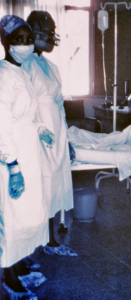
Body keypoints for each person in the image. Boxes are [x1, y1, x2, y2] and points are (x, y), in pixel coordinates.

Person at [0, 15, 54, 297]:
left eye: (28, 39)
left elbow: (29, 113)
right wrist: (12, 166)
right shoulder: (2, 75)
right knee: (12, 216)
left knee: (29, 214)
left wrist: (42, 128)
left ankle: (20, 265)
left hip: (29, 151)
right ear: (5, 42)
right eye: (18, 40)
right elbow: (2, 125)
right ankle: (9, 278)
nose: (25, 44)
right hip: (12, 157)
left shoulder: (22, 71)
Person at [22, 10, 74, 248]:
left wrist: (66, 140)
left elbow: (60, 105)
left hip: (57, 134)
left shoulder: (51, 66)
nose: (52, 39)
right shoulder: (23, 65)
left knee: (52, 188)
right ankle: (32, 246)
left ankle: (51, 241)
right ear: (34, 33)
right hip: (37, 136)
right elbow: (24, 108)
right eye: (48, 34)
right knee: (37, 190)